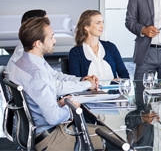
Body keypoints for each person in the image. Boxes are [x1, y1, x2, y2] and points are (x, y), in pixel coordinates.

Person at [10, 17, 103, 150]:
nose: (55, 40)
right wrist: (72, 106)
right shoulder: (37, 73)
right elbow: (53, 118)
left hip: (38, 133)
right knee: (112, 137)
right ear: (38, 43)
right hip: (51, 138)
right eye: (51, 37)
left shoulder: (22, 63)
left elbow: (46, 89)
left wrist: (60, 103)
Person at [6, 9, 94, 95]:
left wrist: (81, 80)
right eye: (45, 23)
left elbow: (53, 75)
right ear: (34, 27)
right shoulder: (26, 58)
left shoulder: (30, 53)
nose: (49, 27)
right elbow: (55, 87)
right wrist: (87, 84)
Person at [69, 10, 129, 86]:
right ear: (87, 27)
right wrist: (113, 80)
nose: (102, 26)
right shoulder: (75, 53)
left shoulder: (111, 47)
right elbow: (76, 81)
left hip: (113, 95)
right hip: (90, 96)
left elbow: (124, 75)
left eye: (102, 22)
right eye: (98, 23)